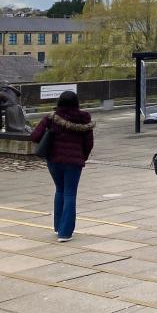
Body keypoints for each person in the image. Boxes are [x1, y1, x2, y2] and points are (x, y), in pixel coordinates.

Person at [30, 91, 95, 242]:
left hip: (54, 160)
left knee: (60, 190)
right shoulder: (84, 118)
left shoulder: (51, 117)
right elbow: (89, 144)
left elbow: (34, 136)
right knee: (70, 194)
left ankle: (58, 227)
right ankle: (65, 233)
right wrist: (82, 156)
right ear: (76, 103)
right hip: (74, 162)